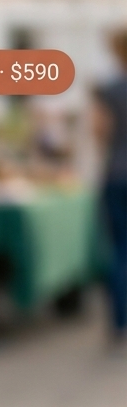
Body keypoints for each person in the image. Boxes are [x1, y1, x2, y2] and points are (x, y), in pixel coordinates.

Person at [94, 29, 127, 341]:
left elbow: (100, 131)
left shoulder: (110, 90)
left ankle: (120, 321)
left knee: (118, 249)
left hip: (116, 173)